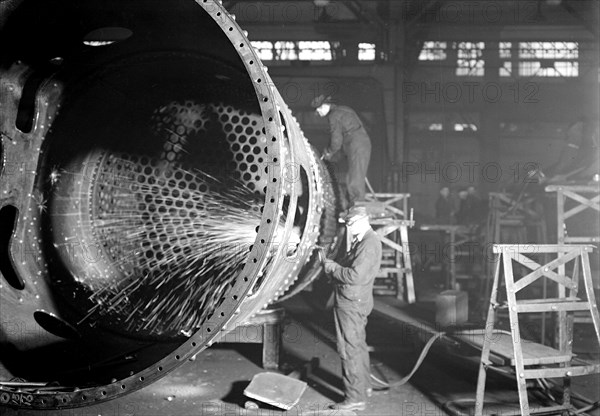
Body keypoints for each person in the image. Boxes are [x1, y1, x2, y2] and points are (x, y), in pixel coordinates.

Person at [322, 206, 382, 411]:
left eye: (349, 224)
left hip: (351, 303)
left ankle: (354, 397)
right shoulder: (364, 241)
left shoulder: (368, 244)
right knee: (358, 345)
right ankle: (364, 388)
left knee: (348, 348)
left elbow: (355, 276)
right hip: (355, 300)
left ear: (361, 221)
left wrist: (332, 268)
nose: (348, 228)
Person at [311, 94, 372, 205]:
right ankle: (356, 206)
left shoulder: (333, 116)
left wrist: (328, 152)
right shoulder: (343, 109)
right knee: (354, 176)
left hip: (356, 145)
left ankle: (358, 210)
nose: (319, 114)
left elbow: (336, 142)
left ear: (324, 106)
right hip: (358, 143)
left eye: (318, 110)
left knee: (354, 178)